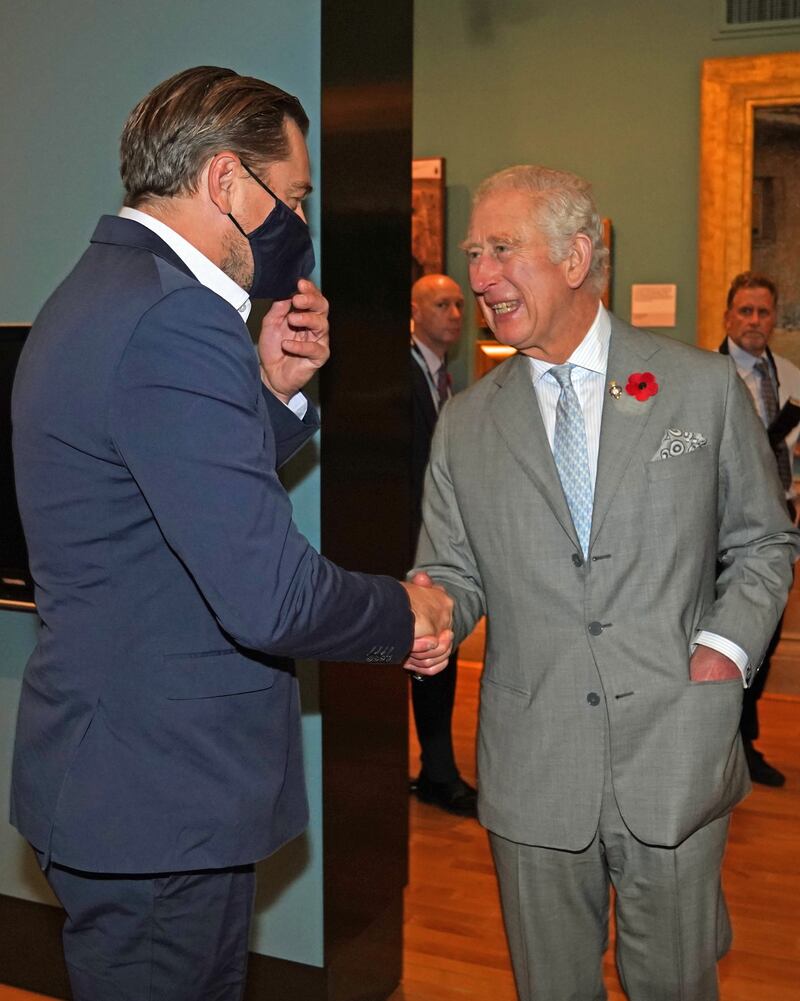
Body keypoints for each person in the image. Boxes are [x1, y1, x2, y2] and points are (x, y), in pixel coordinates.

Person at [10, 66, 452, 1001]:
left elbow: (157, 497)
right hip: (162, 792)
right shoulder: (178, 316)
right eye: (291, 197)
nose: (300, 223)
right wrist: (404, 612)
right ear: (224, 182)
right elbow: (270, 593)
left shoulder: (104, 290)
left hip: (128, 779)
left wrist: (276, 388)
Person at [412, 164, 798, 1001]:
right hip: (532, 766)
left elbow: (765, 541)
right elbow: (451, 568)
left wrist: (725, 651)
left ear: (578, 255)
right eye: (476, 253)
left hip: (677, 755)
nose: (481, 275)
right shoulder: (467, 422)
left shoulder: (699, 389)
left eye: (503, 249)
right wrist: (433, 612)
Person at [719, 270, 800, 787]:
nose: (754, 321)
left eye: (763, 312)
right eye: (745, 311)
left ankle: (745, 743)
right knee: (724, 637)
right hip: (722, 532)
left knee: (764, 639)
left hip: (780, 528)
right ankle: (719, 743)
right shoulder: (707, 373)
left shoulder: (790, 375)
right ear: (728, 316)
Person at [409, 274, 477, 816]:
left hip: (433, 543)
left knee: (439, 650)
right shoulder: (401, 374)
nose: (455, 313)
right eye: (441, 303)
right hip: (406, 543)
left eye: (459, 303)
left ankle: (437, 768)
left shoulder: (445, 378)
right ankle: (436, 771)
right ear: (414, 310)